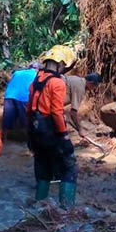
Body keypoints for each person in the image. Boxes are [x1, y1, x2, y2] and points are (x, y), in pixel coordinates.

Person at [26, 45, 77, 208]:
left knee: (43, 168)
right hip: (50, 131)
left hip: (35, 132)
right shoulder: (57, 83)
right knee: (69, 168)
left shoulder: (37, 78)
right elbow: (56, 112)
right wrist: (64, 136)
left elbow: (29, 108)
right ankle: (67, 210)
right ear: (61, 63)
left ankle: (39, 205)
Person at [1, 62, 40, 140]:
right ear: (37, 69)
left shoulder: (17, 72)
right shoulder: (36, 75)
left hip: (9, 95)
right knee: (26, 119)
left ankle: (3, 138)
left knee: (7, 118)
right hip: (23, 97)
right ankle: (29, 140)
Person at [63, 72, 102, 139]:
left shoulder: (77, 80)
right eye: (95, 86)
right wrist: (80, 129)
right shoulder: (80, 87)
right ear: (91, 83)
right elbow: (73, 113)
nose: (95, 88)